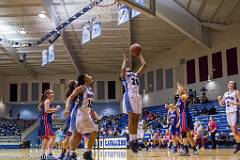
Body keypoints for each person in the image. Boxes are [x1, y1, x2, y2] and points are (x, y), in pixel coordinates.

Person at [64, 74, 97, 160]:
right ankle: (70, 154)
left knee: (93, 133)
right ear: (84, 79)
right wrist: (67, 108)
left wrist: (92, 112)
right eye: (88, 75)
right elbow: (70, 97)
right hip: (79, 113)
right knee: (76, 134)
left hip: (86, 113)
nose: (90, 76)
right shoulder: (81, 88)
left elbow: (88, 103)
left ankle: (88, 153)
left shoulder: (89, 89)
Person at [120, 48, 146, 153]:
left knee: (136, 119)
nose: (128, 69)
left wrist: (139, 55)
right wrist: (125, 61)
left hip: (137, 96)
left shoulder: (135, 75)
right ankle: (132, 140)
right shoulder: (124, 76)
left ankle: (135, 140)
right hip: (129, 95)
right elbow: (122, 71)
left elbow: (144, 65)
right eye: (127, 69)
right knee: (131, 118)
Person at [217, 81, 240, 153]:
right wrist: (219, 99)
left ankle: (238, 145)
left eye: (232, 83)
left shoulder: (236, 92)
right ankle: (238, 145)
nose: (231, 84)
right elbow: (221, 104)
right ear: (228, 85)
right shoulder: (225, 94)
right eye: (230, 83)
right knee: (234, 131)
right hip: (228, 112)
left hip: (234, 111)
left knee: (234, 130)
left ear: (234, 85)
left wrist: (234, 103)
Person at [176, 83, 198, 156]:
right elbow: (177, 108)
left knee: (184, 133)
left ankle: (186, 150)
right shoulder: (179, 99)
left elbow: (187, 95)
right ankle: (194, 149)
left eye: (180, 89)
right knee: (188, 135)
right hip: (183, 116)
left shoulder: (184, 96)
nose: (179, 90)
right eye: (178, 89)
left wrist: (181, 87)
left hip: (185, 115)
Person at [58, 80, 78, 160]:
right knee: (69, 137)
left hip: (77, 116)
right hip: (73, 116)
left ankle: (69, 153)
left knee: (74, 137)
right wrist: (66, 109)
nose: (78, 83)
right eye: (76, 83)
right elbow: (69, 102)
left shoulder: (79, 92)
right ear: (74, 85)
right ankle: (67, 154)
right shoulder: (74, 93)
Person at [38, 89, 61, 160]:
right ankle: (49, 154)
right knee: (53, 137)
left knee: (46, 139)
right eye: (51, 93)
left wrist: (53, 115)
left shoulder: (48, 101)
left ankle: (42, 156)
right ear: (47, 95)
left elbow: (47, 112)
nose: (53, 94)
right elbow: (46, 110)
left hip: (46, 121)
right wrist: (55, 109)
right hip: (45, 122)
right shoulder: (47, 101)